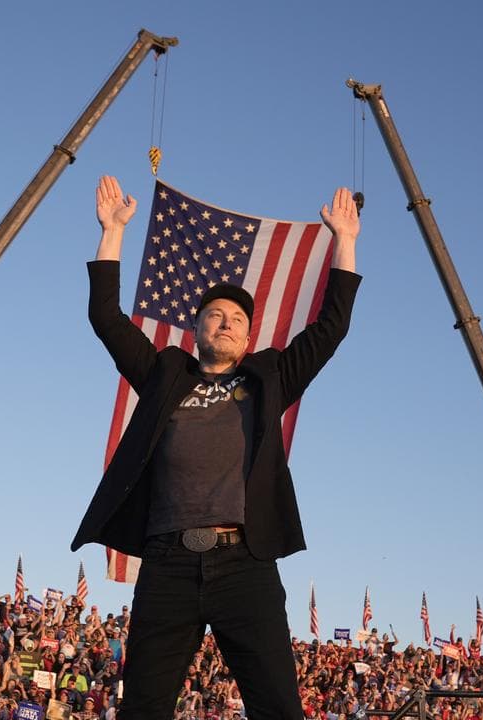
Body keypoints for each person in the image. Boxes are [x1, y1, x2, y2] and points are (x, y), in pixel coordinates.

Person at [72, 175, 361, 720]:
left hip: (245, 564)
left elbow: (330, 328)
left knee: (278, 706)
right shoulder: (164, 372)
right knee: (144, 708)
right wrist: (112, 233)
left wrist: (345, 240)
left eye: (237, 321)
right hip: (167, 564)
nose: (226, 324)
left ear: (247, 338)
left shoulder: (269, 376)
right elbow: (106, 319)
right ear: (196, 329)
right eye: (215, 316)